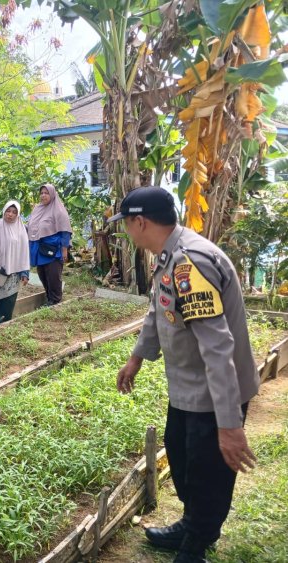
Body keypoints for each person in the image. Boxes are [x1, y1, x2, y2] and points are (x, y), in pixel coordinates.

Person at [112, 187, 259, 563]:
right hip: (188, 390)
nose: (128, 233)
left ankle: (197, 542)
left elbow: (217, 347)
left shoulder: (189, 264)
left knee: (207, 474)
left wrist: (229, 424)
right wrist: (136, 358)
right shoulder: (170, 258)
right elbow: (157, 310)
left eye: (127, 225)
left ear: (140, 222)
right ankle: (192, 525)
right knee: (183, 459)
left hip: (212, 396)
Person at [27, 183, 72, 305]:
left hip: (53, 249)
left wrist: (64, 249)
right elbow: (31, 226)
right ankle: (49, 299)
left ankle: (55, 300)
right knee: (42, 275)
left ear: (52, 194)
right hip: (40, 249)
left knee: (53, 276)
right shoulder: (37, 208)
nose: (43, 195)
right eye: (41, 193)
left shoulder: (58, 210)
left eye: (46, 193)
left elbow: (65, 230)